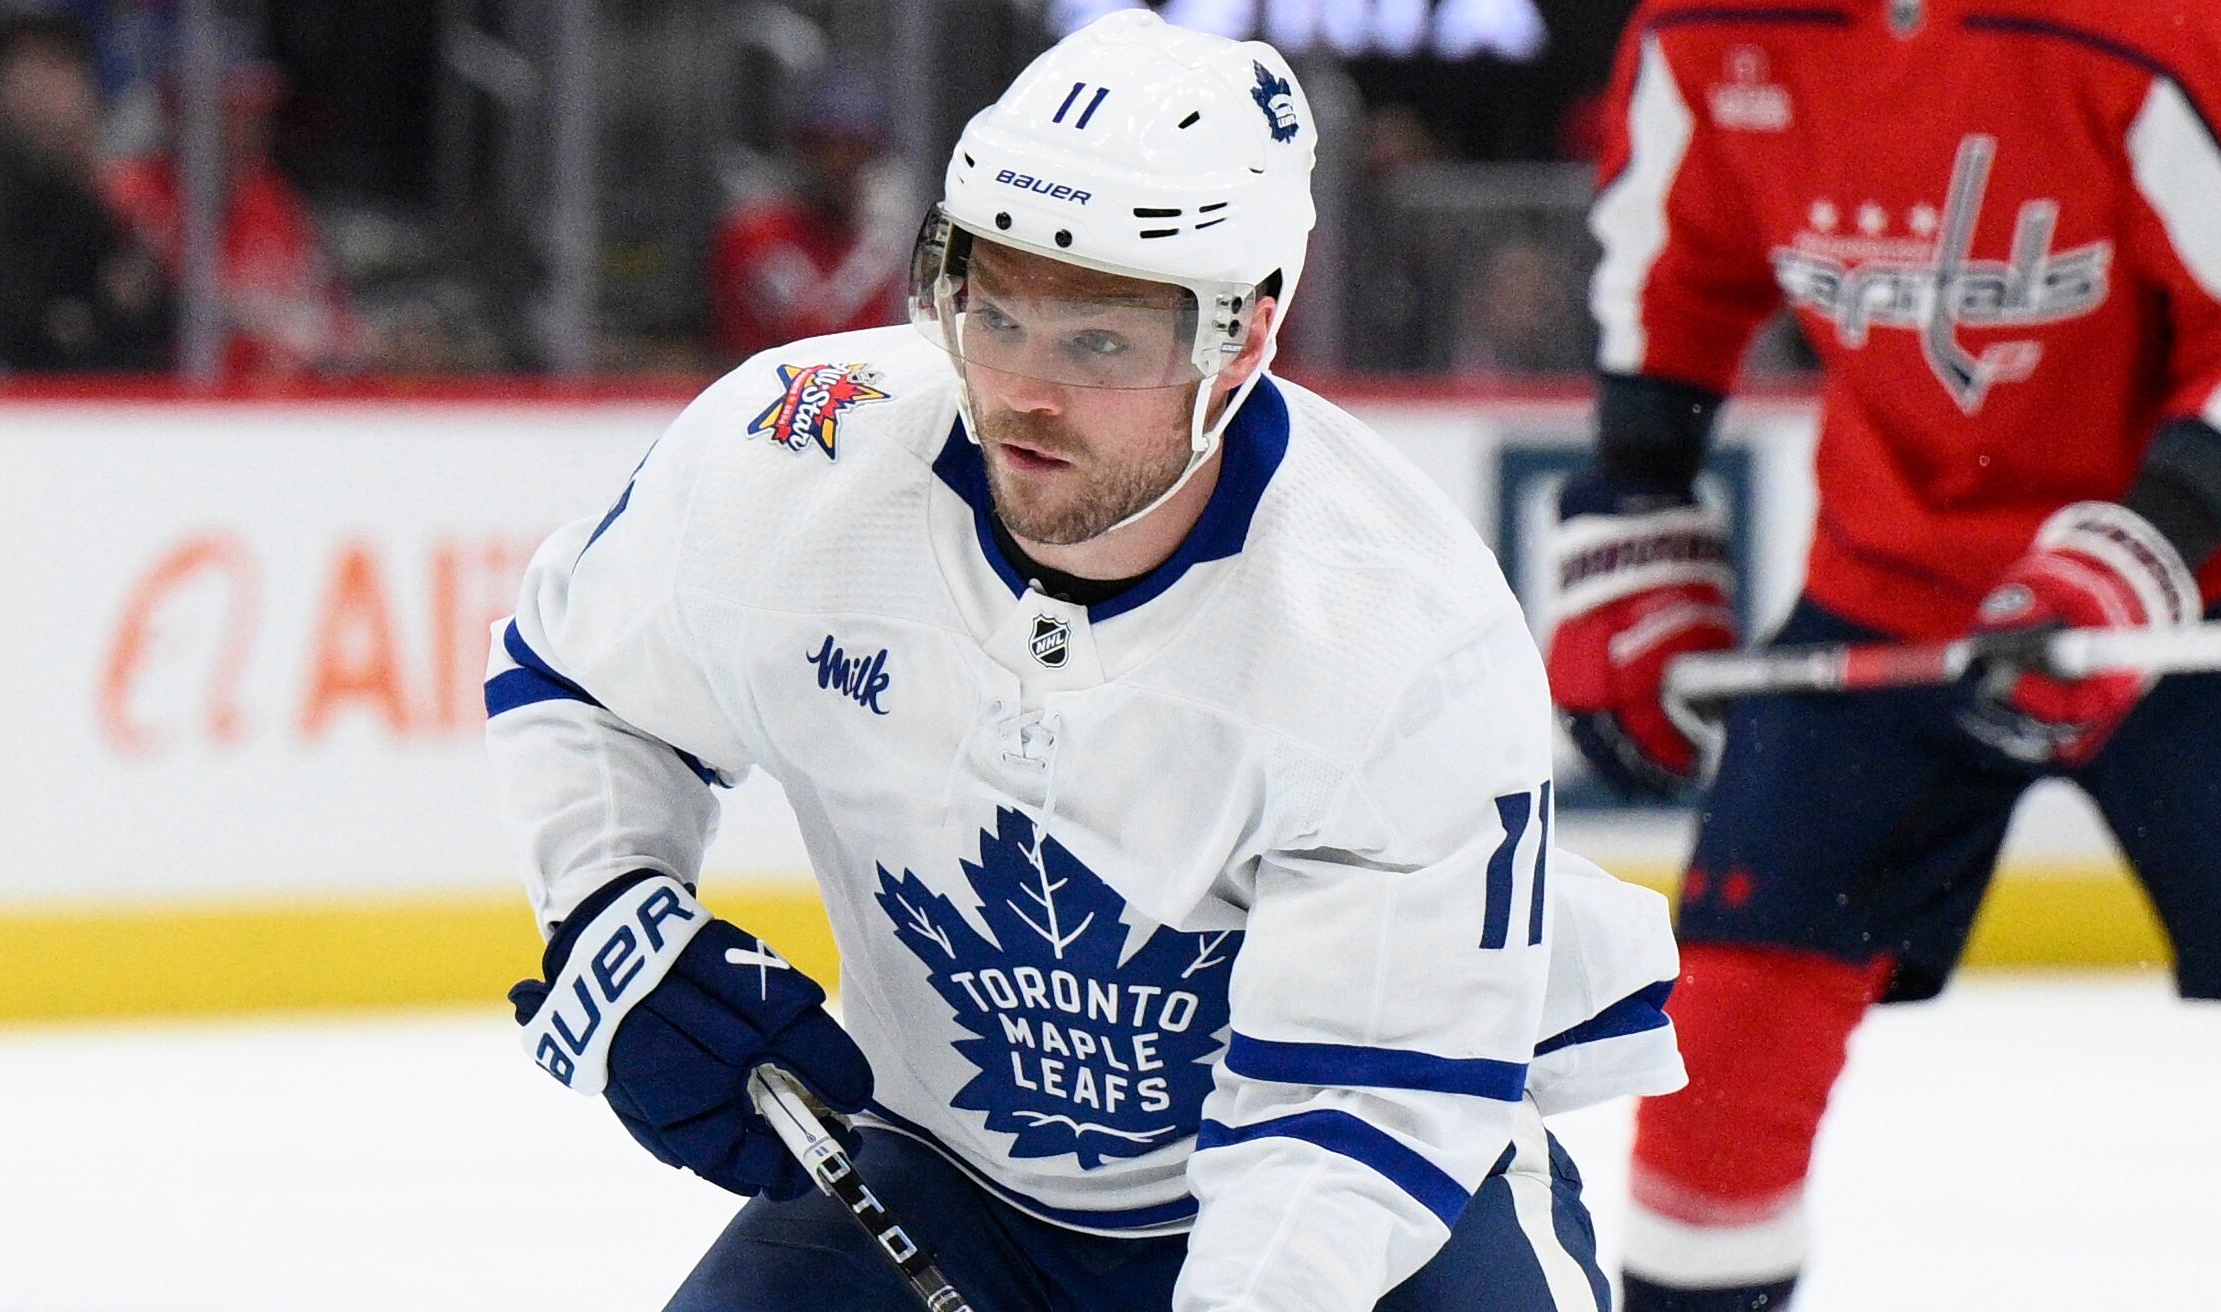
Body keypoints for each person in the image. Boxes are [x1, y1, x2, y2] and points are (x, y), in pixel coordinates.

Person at [490, 13, 1684, 1311]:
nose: (1024, 394)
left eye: (1101, 341)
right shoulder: (795, 461)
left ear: (1242, 340)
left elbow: (1351, 1123)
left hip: (1385, 1207)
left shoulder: (1395, 628)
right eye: (995, 313)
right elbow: (580, 678)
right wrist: (616, 909)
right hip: (941, 1173)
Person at [1546, 1, 2221, 1307]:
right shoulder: (1705, 26)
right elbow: (1674, 272)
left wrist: (2152, 537)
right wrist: (1637, 499)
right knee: (1721, 1056)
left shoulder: (2163, 24)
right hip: (1894, 581)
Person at [101, 55, 366, 381]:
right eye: (228, 114)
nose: (246, 131)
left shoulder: (275, 200)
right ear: (181, 117)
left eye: (253, 115)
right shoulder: (132, 191)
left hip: (275, 396)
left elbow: (335, 324)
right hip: (168, 391)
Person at [0, 12, 171, 372]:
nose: (46, 86)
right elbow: (14, 330)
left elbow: (152, 317)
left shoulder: (111, 190)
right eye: (30, 64)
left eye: (60, 64)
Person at [705, 70, 916, 367]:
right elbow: (812, 334)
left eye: (854, 148)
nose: (838, 163)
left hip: (864, 387)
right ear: (800, 150)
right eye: (824, 147)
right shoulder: (755, 233)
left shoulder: (887, 242)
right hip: (757, 387)